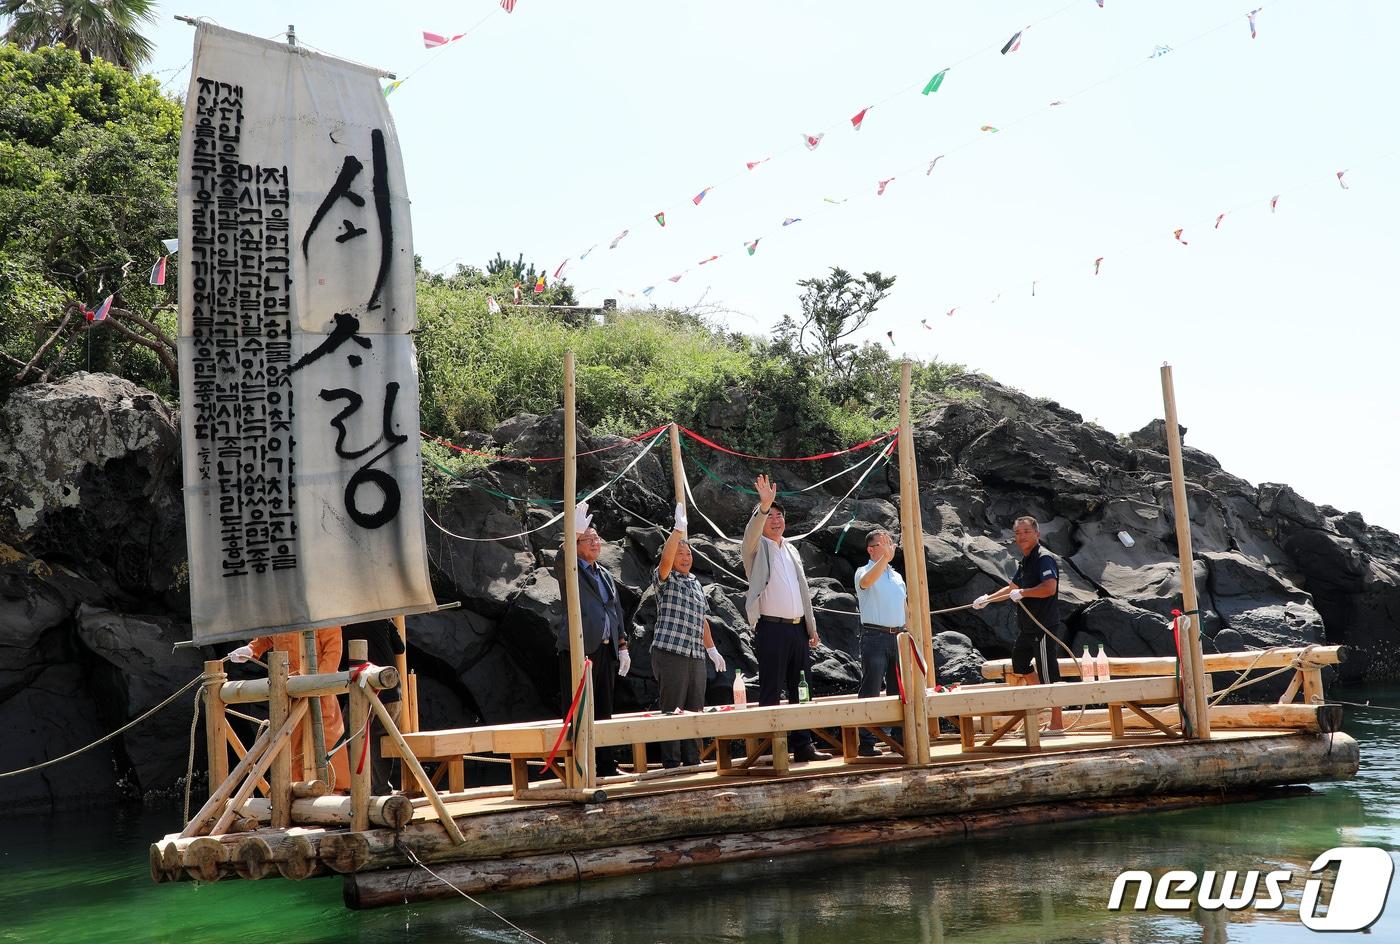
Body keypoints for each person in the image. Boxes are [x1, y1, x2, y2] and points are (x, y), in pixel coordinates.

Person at [740, 474, 831, 763]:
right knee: (771, 688)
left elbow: (802, 589)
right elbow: (751, 533)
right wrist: (763, 507)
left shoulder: (791, 548)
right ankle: (771, 750)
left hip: (797, 630)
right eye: (770, 516)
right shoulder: (756, 548)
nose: (775, 520)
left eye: (779, 515)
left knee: (802, 688)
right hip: (771, 628)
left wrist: (810, 627)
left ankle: (804, 745)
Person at [972, 515, 1066, 735]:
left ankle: (1057, 723)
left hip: (1043, 625)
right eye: (1018, 533)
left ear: (1037, 534)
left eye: (1026, 532)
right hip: (1028, 627)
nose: (1022, 536)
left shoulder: (1044, 558)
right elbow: (1011, 587)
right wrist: (987, 599)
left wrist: (1024, 593)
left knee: (1048, 670)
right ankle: (1040, 700)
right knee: (1020, 662)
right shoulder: (1026, 560)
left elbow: (1049, 588)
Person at [227, 626, 353, 789]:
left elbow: (333, 651)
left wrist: (318, 684)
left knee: (327, 738)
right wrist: (252, 649)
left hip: (319, 692)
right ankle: (292, 788)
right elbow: (271, 635)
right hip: (288, 692)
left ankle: (336, 789)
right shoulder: (283, 616)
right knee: (290, 744)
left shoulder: (323, 617)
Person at [554, 501, 627, 777]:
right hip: (579, 649)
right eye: (589, 539)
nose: (596, 543)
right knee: (579, 710)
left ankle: (607, 765)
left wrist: (623, 645)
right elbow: (563, 556)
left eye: (597, 539)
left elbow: (616, 611)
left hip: (606, 650)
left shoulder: (605, 574)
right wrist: (572, 534)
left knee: (605, 710)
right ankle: (580, 766)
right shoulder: (571, 569)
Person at [651, 503, 726, 768]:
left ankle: (693, 761)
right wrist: (677, 531)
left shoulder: (695, 583)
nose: (685, 557)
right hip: (671, 652)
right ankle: (671, 764)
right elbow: (665, 561)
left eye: (689, 553)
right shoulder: (665, 578)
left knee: (696, 709)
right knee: (673, 709)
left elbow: (701, 619)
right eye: (681, 553)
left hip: (695, 654)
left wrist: (712, 650)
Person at [853, 528, 906, 757]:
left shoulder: (896, 576)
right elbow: (867, 582)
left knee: (899, 689)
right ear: (871, 549)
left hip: (899, 636)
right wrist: (884, 558)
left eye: (889, 544)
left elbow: (904, 606)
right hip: (875, 636)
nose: (888, 548)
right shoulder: (862, 571)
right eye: (882, 544)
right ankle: (867, 742)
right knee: (871, 688)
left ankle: (899, 738)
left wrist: (909, 631)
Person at [340, 619, 406, 792]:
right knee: (380, 741)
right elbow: (400, 648)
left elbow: (340, 663)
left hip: (363, 693)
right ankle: (381, 788)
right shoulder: (383, 617)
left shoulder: (343, 623)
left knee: (352, 739)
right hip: (392, 690)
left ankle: (358, 789)